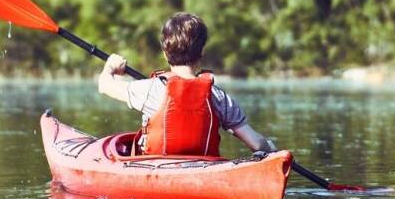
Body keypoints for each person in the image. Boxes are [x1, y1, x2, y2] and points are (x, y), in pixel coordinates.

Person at [98, 12, 277, 157]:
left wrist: (110, 67)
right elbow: (256, 144)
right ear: (202, 52)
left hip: (156, 171)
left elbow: (104, 86)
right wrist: (270, 149)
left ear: (165, 52)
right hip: (205, 171)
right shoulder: (219, 97)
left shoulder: (150, 89)